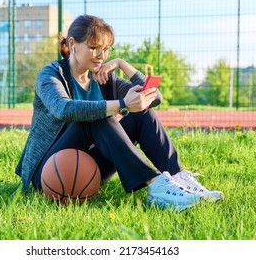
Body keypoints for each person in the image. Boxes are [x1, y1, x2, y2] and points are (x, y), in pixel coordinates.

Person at [15, 14, 224, 211]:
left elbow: (155, 98)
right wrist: (122, 104)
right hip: (48, 170)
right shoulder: (51, 75)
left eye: (106, 49)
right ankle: (156, 186)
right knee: (98, 114)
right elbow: (63, 108)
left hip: (88, 167)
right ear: (72, 44)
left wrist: (123, 64)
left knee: (142, 112)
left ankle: (179, 178)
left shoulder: (105, 78)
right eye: (94, 47)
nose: (101, 56)